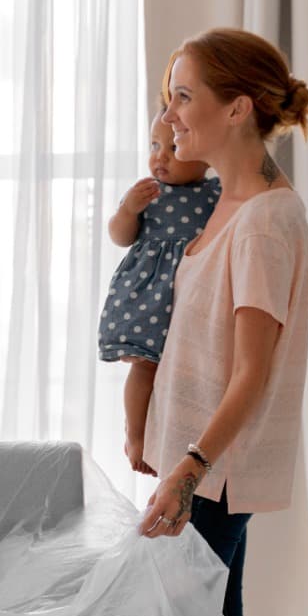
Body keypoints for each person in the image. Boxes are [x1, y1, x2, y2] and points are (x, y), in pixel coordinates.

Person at [136, 27, 308, 616]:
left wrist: (188, 471)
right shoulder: (222, 200)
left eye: (184, 97)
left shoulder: (264, 223)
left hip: (214, 473)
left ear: (237, 109)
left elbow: (251, 374)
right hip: (201, 464)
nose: (169, 116)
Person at [101, 111, 222, 475]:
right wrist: (128, 210)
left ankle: (187, 442)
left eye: (173, 147)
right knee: (145, 367)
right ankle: (135, 435)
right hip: (150, 297)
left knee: (191, 373)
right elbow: (120, 236)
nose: (160, 157)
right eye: (154, 145)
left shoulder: (217, 193)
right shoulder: (147, 193)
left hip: (193, 294)